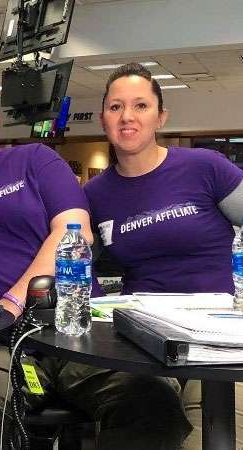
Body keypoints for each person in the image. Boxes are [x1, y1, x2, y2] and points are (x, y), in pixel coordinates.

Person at [0, 73, 191, 450]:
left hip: (77, 328)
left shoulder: (36, 160)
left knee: (152, 397)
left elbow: (75, 233)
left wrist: (12, 304)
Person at [84, 62, 243, 449]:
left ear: (161, 116)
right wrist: (100, 311)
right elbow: (78, 264)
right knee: (146, 424)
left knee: (212, 433)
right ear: (104, 118)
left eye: (140, 105)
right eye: (116, 107)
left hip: (220, 333)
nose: (127, 117)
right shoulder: (95, 195)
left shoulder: (205, 168)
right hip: (145, 337)